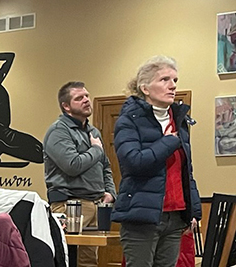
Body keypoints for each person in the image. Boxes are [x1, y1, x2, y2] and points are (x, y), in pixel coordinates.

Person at [112, 56, 201, 267]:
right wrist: (169, 142)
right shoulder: (128, 121)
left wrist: (193, 210)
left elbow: (185, 171)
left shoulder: (178, 121)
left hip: (176, 215)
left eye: (175, 80)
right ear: (145, 88)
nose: (172, 86)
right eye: (164, 80)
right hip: (143, 216)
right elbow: (134, 162)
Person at [43, 82, 115, 267]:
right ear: (66, 106)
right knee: (67, 258)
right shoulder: (58, 131)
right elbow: (72, 165)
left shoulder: (93, 132)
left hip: (96, 204)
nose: (86, 100)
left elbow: (105, 166)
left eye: (87, 96)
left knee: (89, 261)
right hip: (69, 205)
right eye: (79, 98)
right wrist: (96, 150)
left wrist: (110, 192)